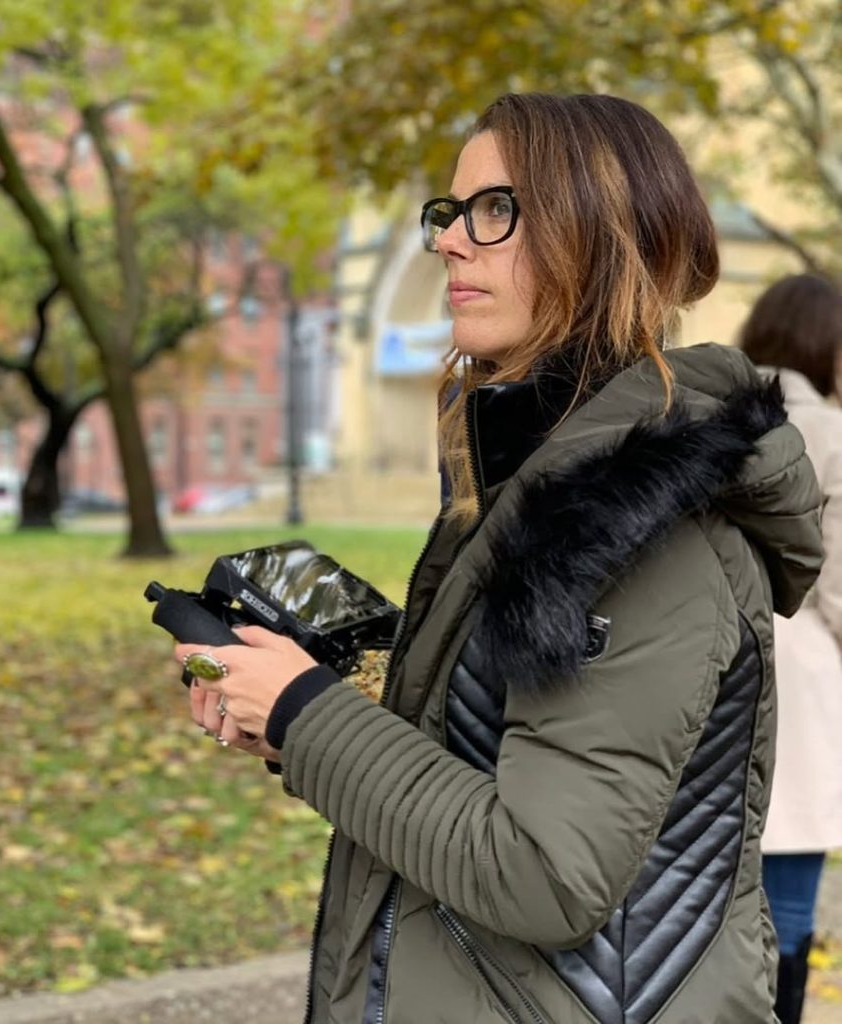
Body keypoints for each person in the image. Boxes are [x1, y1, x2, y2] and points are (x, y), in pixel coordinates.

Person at [174, 93, 825, 1023]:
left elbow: (543, 875)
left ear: (599, 235)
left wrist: (309, 717)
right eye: (448, 212)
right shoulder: (538, 476)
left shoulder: (640, 521)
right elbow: (496, 738)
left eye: (494, 209)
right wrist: (300, 701)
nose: (449, 241)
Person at [738, 273, 842, 1024]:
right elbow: (835, 576)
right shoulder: (832, 433)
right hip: (801, 666)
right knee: (791, 894)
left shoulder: (707, 413)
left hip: (707, 653)